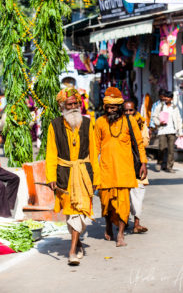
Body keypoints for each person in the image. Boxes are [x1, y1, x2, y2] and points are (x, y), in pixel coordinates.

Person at [45, 88, 100, 265]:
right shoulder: (54, 125)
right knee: (71, 213)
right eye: (70, 104)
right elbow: (51, 153)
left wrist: (96, 178)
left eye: (76, 103)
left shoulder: (87, 122)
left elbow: (93, 152)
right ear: (62, 106)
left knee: (80, 213)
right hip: (65, 174)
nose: (74, 106)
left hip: (84, 174)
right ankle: (77, 244)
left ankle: (72, 250)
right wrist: (50, 177)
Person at [95, 87, 147, 247]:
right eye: (108, 107)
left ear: (119, 107)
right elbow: (95, 147)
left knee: (123, 204)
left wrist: (143, 163)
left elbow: (139, 143)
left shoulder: (129, 121)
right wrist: (92, 168)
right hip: (106, 170)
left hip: (125, 170)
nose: (110, 110)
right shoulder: (100, 122)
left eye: (114, 107)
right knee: (106, 203)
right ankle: (109, 226)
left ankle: (120, 235)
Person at [124, 99, 149, 234]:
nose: (128, 113)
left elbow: (144, 143)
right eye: (125, 111)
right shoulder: (119, 123)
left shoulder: (141, 124)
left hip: (138, 162)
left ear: (135, 110)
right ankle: (124, 220)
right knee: (124, 194)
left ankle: (137, 223)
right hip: (123, 162)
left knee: (137, 193)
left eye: (130, 110)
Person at [152, 90, 183, 173]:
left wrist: (180, 132)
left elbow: (178, 120)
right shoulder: (160, 106)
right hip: (162, 130)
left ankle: (169, 167)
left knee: (171, 150)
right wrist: (159, 122)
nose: (166, 98)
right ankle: (159, 162)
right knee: (161, 148)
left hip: (172, 131)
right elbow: (154, 116)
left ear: (171, 99)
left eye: (168, 97)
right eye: (165, 97)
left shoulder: (174, 108)